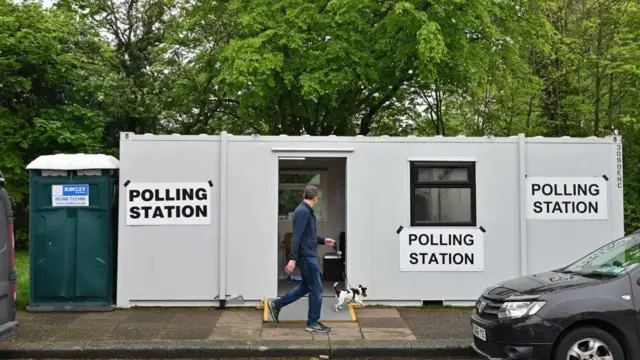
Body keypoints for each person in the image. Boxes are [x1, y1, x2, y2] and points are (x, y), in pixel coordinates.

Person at [268, 184, 336, 333]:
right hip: (306, 257)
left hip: (307, 255)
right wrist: (292, 258)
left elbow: (308, 237)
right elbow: (296, 237)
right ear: (316, 198)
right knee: (317, 290)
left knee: (306, 287)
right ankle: (312, 323)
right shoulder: (303, 212)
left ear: (304, 195)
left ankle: (277, 305)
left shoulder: (304, 211)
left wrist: (323, 240)